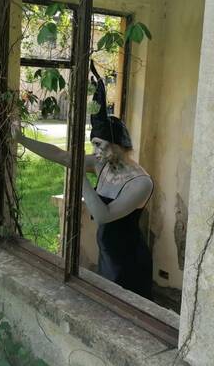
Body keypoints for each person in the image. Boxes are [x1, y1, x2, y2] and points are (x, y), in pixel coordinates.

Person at [13, 79, 154, 299]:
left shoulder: (140, 182)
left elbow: (102, 215)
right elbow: (62, 156)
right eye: (94, 144)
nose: (95, 151)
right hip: (108, 255)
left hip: (130, 262)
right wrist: (20, 139)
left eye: (100, 145)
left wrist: (79, 173)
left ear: (118, 145)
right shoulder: (103, 164)